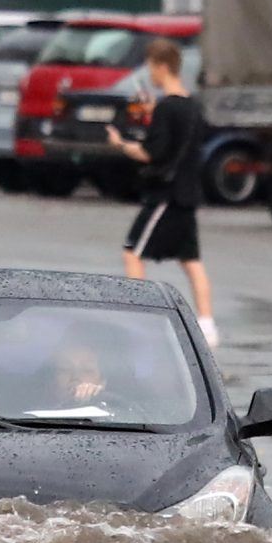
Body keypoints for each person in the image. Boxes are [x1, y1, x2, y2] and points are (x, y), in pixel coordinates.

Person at [108, 39, 217, 348]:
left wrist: (120, 143)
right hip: (187, 193)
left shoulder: (166, 108)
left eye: (151, 67)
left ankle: (140, 316)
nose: (150, 74)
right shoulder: (192, 105)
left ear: (161, 66)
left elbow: (151, 152)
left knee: (132, 250)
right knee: (191, 260)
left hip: (165, 195)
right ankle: (207, 325)